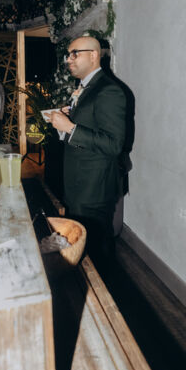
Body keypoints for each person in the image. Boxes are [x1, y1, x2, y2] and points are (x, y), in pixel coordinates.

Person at [46, 36, 126, 264]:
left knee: (96, 248)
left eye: (75, 54)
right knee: (81, 242)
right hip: (78, 182)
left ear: (93, 55)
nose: (68, 60)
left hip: (94, 187)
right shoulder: (86, 87)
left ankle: (102, 284)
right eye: (68, 55)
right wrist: (67, 121)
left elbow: (113, 144)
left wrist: (70, 127)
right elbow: (90, 127)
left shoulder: (109, 90)